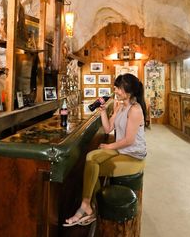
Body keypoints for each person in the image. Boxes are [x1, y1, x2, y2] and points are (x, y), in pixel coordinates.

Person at [63, 73, 147, 226]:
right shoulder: (121, 106)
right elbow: (108, 129)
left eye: (118, 88)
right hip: (122, 149)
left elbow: (129, 140)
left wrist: (109, 146)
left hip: (134, 155)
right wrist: (102, 112)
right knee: (91, 157)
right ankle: (88, 205)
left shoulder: (135, 109)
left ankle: (87, 206)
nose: (115, 90)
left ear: (127, 90)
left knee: (94, 166)